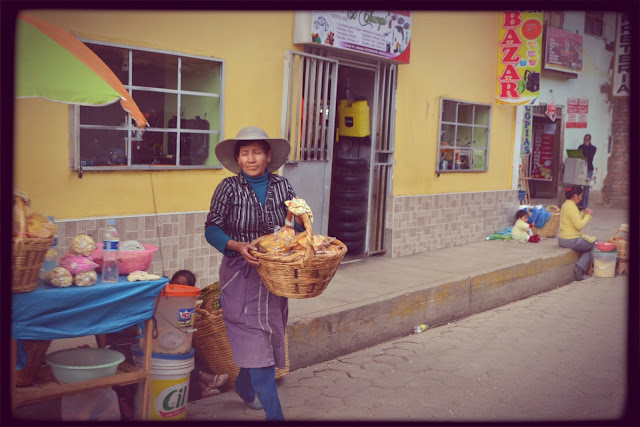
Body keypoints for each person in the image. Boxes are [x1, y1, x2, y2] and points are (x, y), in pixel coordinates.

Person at [204, 126, 305, 421]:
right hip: (240, 274)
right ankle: (276, 415)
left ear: (268, 155)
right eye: (245, 153)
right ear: (238, 158)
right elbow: (212, 228)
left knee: (269, 331)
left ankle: (244, 386)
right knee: (253, 337)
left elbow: (297, 225)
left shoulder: (283, 186)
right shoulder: (228, 188)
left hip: (275, 273)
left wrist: (299, 220)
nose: (251, 159)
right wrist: (235, 245)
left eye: (256, 152)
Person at [169, 270, 229, 400]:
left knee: (191, 351)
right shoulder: (165, 301)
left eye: (183, 286)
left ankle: (204, 386)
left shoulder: (187, 305)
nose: (178, 288)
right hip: (165, 345)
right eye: (175, 284)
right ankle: (205, 381)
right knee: (182, 355)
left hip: (178, 342)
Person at [558, 186, 595, 281]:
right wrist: (588, 215)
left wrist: (583, 213)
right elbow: (578, 225)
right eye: (580, 196)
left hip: (564, 239)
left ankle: (581, 267)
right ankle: (581, 268)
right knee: (595, 243)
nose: (581, 198)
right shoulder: (571, 207)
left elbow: (575, 218)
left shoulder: (566, 204)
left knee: (588, 246)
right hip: (570, 239)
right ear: (575, 195)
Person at [577, 134, 596, 209]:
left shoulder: (593, 148)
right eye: (584, 139)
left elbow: (589, 156)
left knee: (586, 187)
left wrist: (586, 147)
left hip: (589, 169)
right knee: (579, 186)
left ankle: (585, 206)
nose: (585, 141)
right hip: (581, 169)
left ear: (589, 140)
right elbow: (578, 156)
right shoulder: (580, 147)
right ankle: (579, 203)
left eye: (586, 139)